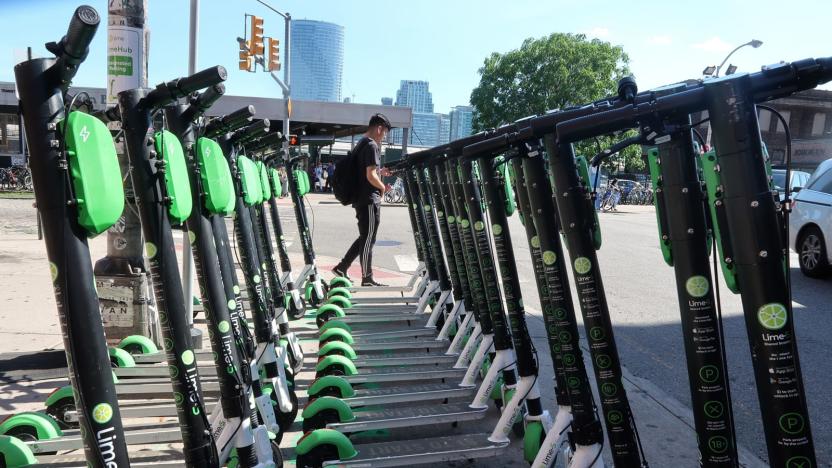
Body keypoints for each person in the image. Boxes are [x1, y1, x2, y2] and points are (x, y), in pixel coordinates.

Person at [332, 113, 392, 286]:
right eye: (385, 132)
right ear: (379, 128)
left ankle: (342, 267)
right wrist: (381, 187)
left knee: (365, 237)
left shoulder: (361, 143)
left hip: (360, 199)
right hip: (369, 200)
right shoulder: (372, 145)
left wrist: (379, 174)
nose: (384, 136)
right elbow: (369, 174)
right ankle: (366, 277)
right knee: (368, 239)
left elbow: (366, 172)